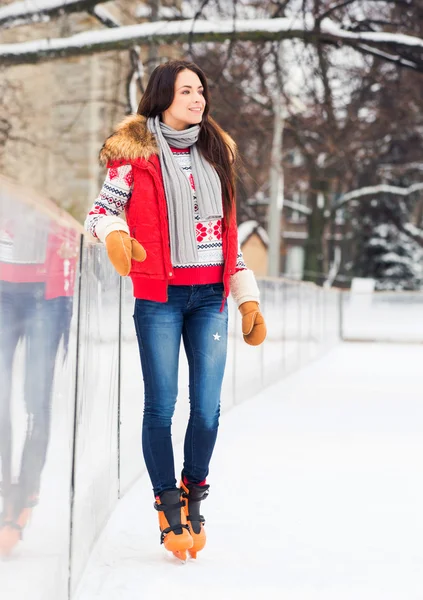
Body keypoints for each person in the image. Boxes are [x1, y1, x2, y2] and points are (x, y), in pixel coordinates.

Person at [85, 59, 267, 561]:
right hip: (159, 299)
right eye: (187, 90)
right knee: (161, 407)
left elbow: (228, 238)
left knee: (207, 410)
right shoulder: (133, 155)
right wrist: (115, 234)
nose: (198, 98)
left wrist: (246, 296)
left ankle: (194, 491)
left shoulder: (215, 154)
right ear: (163, 95)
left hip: (211, 297)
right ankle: (167, 505)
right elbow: (99, 212)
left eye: (201, 90)